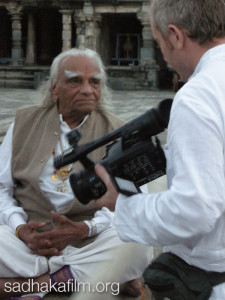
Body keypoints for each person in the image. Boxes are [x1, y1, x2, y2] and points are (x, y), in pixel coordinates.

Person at [95, 0, 225, 299]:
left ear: (176, 36)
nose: (164, 57)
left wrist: (123, 205)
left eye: (159, 44)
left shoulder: (198, 94)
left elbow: (196, 209)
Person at [0, 48, 152, 299]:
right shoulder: (24, 124)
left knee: (137, 243)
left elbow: (133, 202)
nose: (86, 89)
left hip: (89, 240)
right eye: (75, 81)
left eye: (94, 82)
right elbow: (2, 189)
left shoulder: (119, 131)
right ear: (54, 87)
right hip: (28, 240)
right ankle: (103, 280)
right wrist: (20, 230)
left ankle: (33, 284)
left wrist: (85, 228)